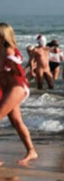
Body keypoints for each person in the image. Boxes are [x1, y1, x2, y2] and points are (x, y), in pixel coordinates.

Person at [0, 23, 38, 166]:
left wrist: (14, 63)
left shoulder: (8, 50)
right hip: (7, 88)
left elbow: (18, 70)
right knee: (16, 121)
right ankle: (32, 151)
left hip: (16, 87)